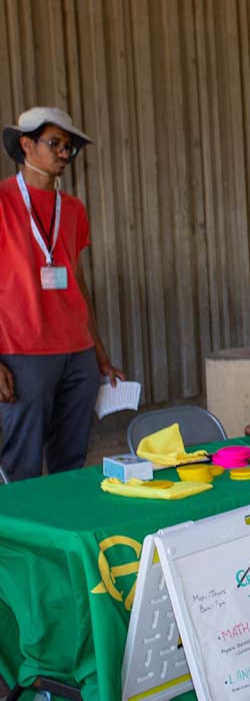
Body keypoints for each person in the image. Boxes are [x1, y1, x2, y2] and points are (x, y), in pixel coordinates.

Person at [1, 107, 123, 482]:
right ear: (26, 144)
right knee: (19, 464)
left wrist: (99, 353)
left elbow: (77, 282)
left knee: (70, 462)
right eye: (54, 143)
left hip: (78, 353)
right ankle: (17, 540)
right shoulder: (3, 202)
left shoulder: (72, 209)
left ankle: (60, 537)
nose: (64, 154)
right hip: (23, 351)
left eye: (69, 147)